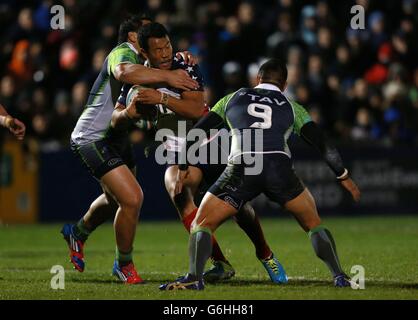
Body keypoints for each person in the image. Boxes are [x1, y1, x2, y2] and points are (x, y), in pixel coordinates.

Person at [160, 58, 361, 290]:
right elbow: (322, 143)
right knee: (314, 224)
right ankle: (339, 275)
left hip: (243, 166)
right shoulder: (291, 106)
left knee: (201, 224)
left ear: (257, 79)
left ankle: (195, 277)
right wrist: (342, 175)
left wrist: (184, 164)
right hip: (279, 168)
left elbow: (198, 133)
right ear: (284, 85)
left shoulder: (232, 98)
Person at [112, 22, 288, 284]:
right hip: (176, 148)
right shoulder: (136, 80)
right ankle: (218, 262)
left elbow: (195, 111)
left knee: (239, 206)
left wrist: (160, 99)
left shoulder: (185, 66)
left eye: (168, 45)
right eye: (157, 49)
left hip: (209, 141)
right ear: (145, 54)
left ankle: (266, 254)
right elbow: (115, 119)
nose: (165, 53)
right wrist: (129, 113)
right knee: (177, 189)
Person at [61, 15, 199, 284]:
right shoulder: (123, 52)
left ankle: (78, 232)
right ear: (135, 38)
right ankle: (123, 264)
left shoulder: (148, 63)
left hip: (116, 136)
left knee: (116, 200)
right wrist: (171, 75)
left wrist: (179, 59)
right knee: (133, 198)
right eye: (146, 31)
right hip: (92, 137)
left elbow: (127, 111)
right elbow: (123, 72)